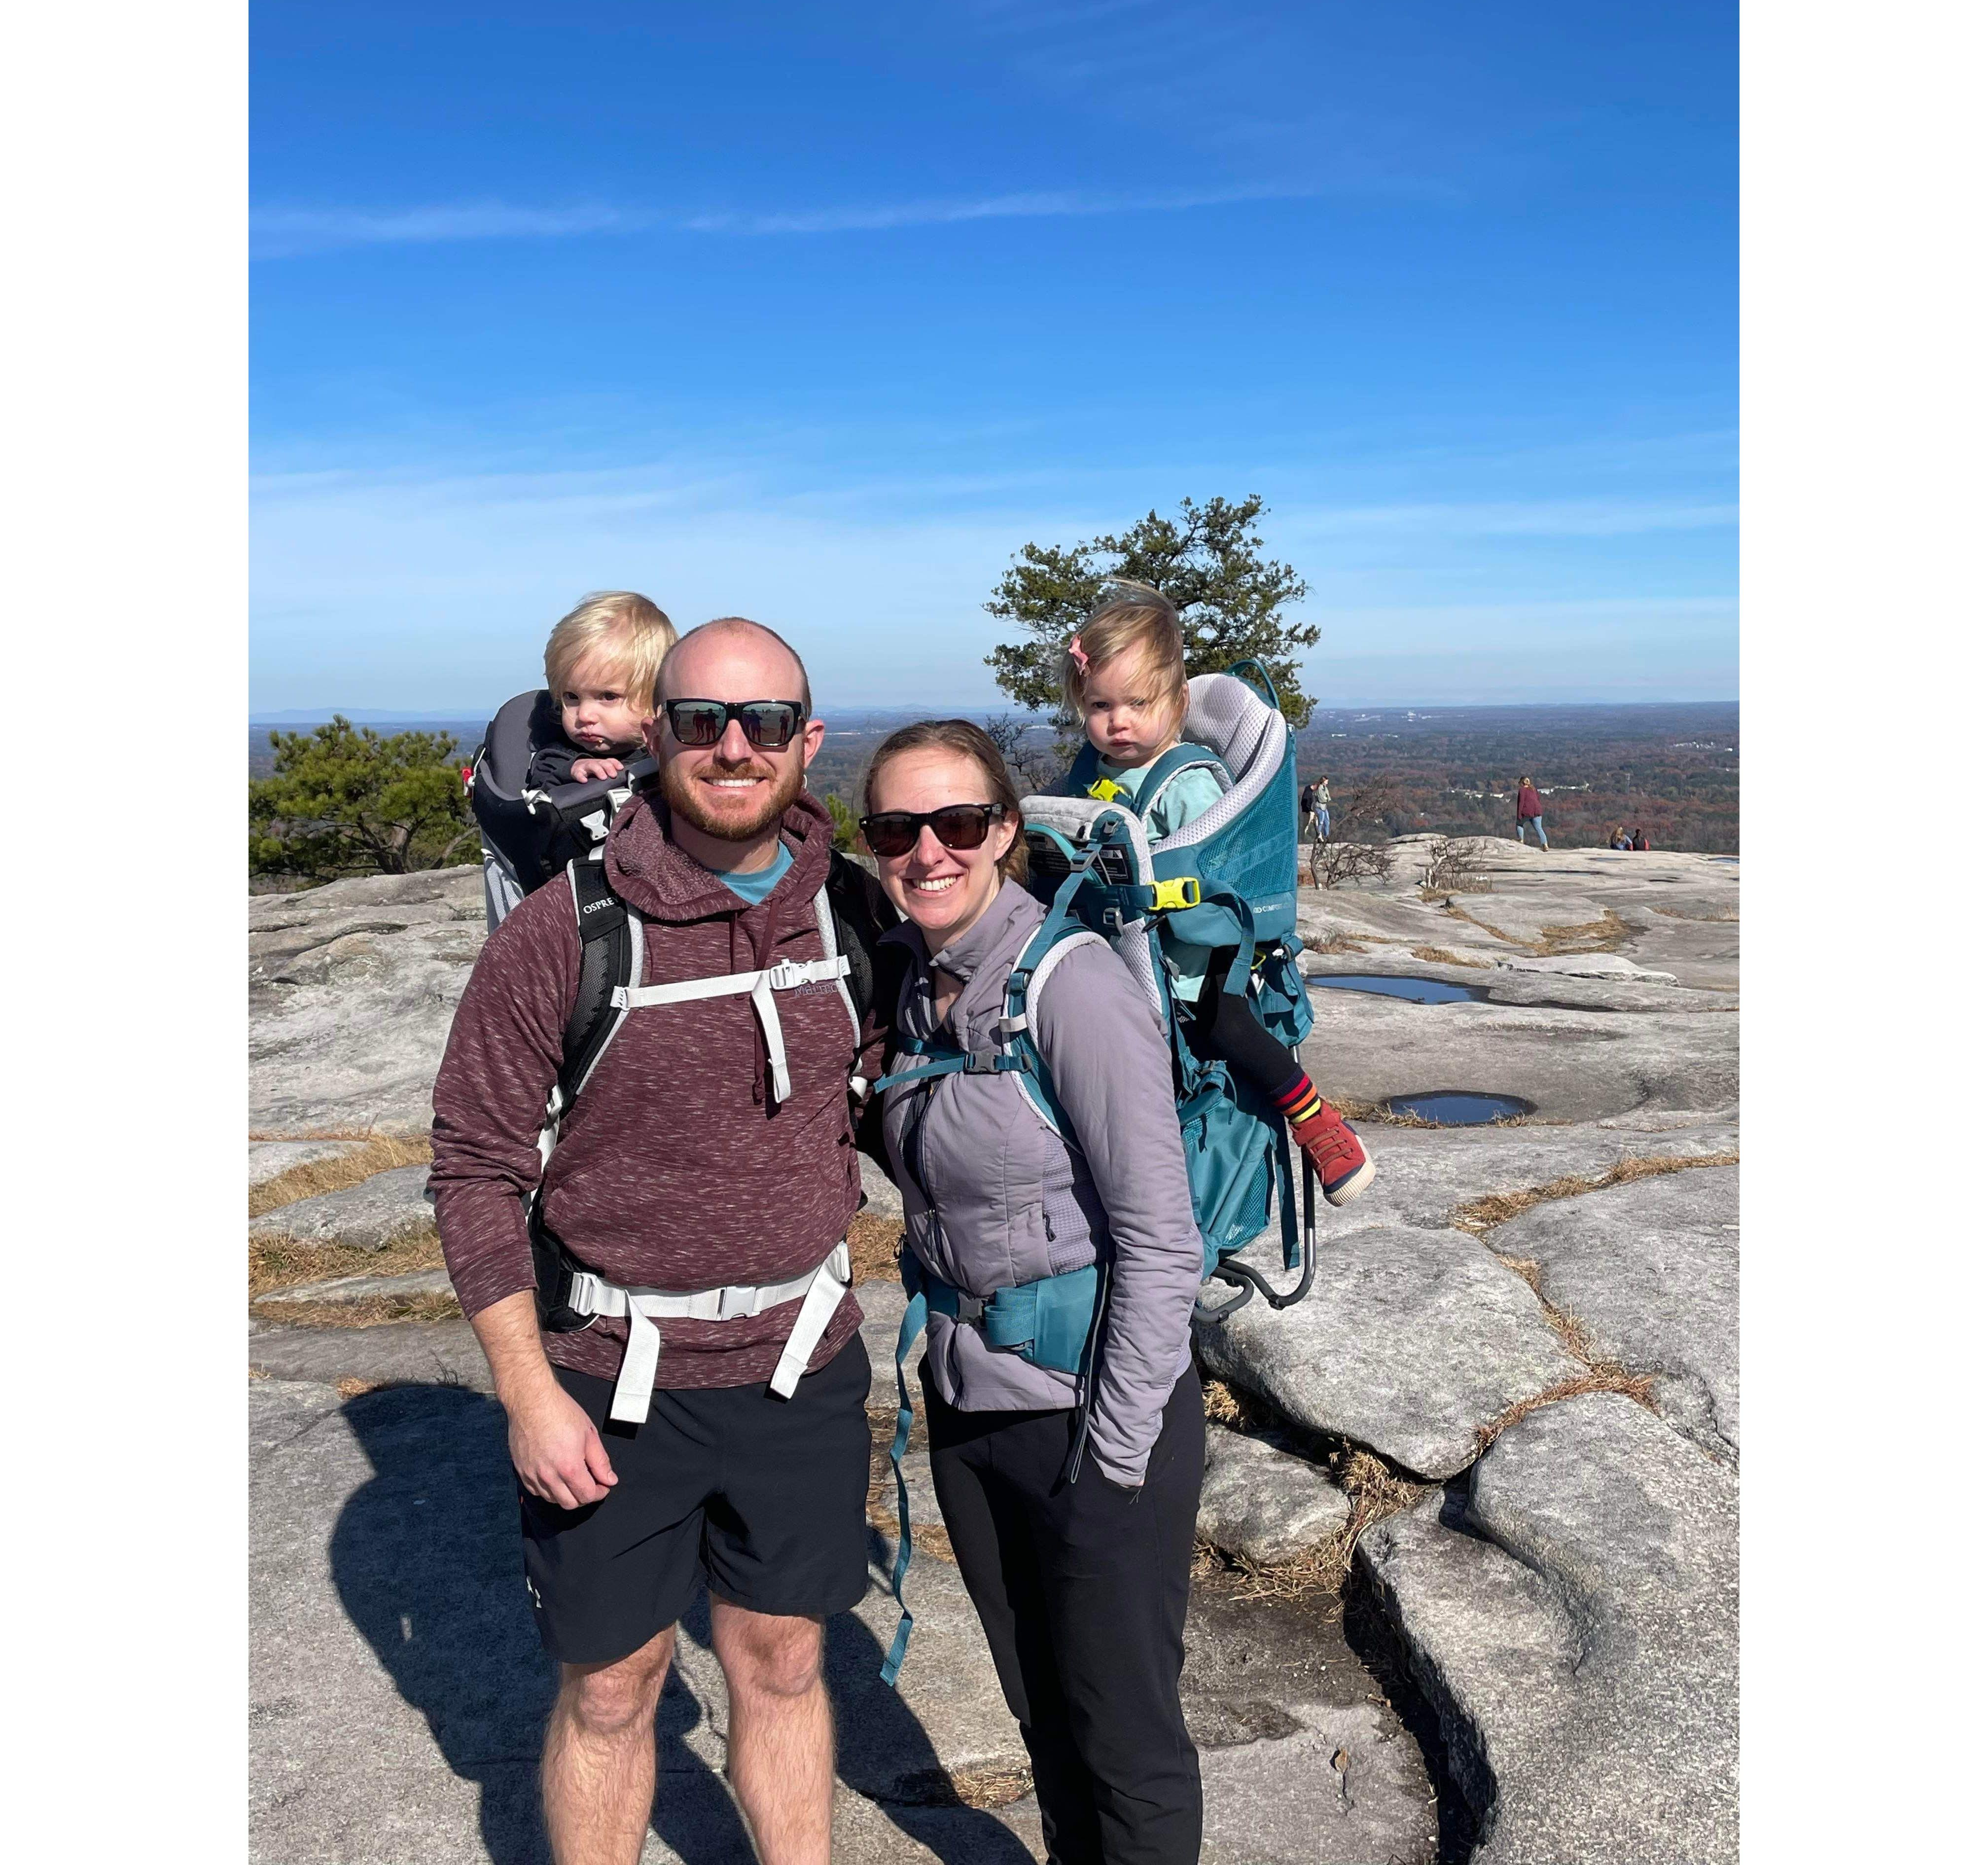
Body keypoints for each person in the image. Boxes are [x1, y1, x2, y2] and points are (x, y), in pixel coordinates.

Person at [429, 616, 888, 1865]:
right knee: (615, 1686)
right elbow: (475, 1165)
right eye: (703, 722)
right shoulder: (564, 932)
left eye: (765, 723)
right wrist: (526, 1392)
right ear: (656, 735)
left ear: (809, 741)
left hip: (800, 1358)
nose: (734, 748)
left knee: (785, 1658)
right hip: (607, 1374)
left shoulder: (852, 911)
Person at [862, 719, 1208, 1865]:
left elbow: (1165, 1241)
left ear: (1005, 833)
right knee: (1044, 1720)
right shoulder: (915, 988)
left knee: (1125, 1740)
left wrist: (1114, 1457)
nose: (929, 853)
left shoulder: (1072, 987)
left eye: (959, 825)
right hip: (972, 1417)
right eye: (898, 830)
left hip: (1099, 1416)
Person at [1061, 588, 1373, 1201]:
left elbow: (1217, 871)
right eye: (1099, 705)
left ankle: (1314, 1119)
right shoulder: (1089, 773)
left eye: (1137, 703)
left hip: (1194, 962)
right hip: (1114, 954)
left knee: (1225, 1024)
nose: (1117, 720)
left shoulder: (1188, 781)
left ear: (1177, 704)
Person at [526, 590, 678, 788]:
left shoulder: (673, 752)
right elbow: (542, 783)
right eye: (572, 697)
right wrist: (574, 770)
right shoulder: (559, 757)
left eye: (608, 697)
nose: (585, 715)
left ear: (655, 698)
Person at [1515, 776, 1548, 850]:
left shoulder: (1522, 790)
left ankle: (1521, 840)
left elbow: (1521, 803)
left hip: (1527, 812)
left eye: (1520, 783)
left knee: (1519, 824)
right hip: (1537, 811)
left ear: (1523, 783)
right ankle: (1545, 845)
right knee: (1539, 829)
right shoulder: (1534, 789)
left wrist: (1519, 815)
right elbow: (1538, 799)